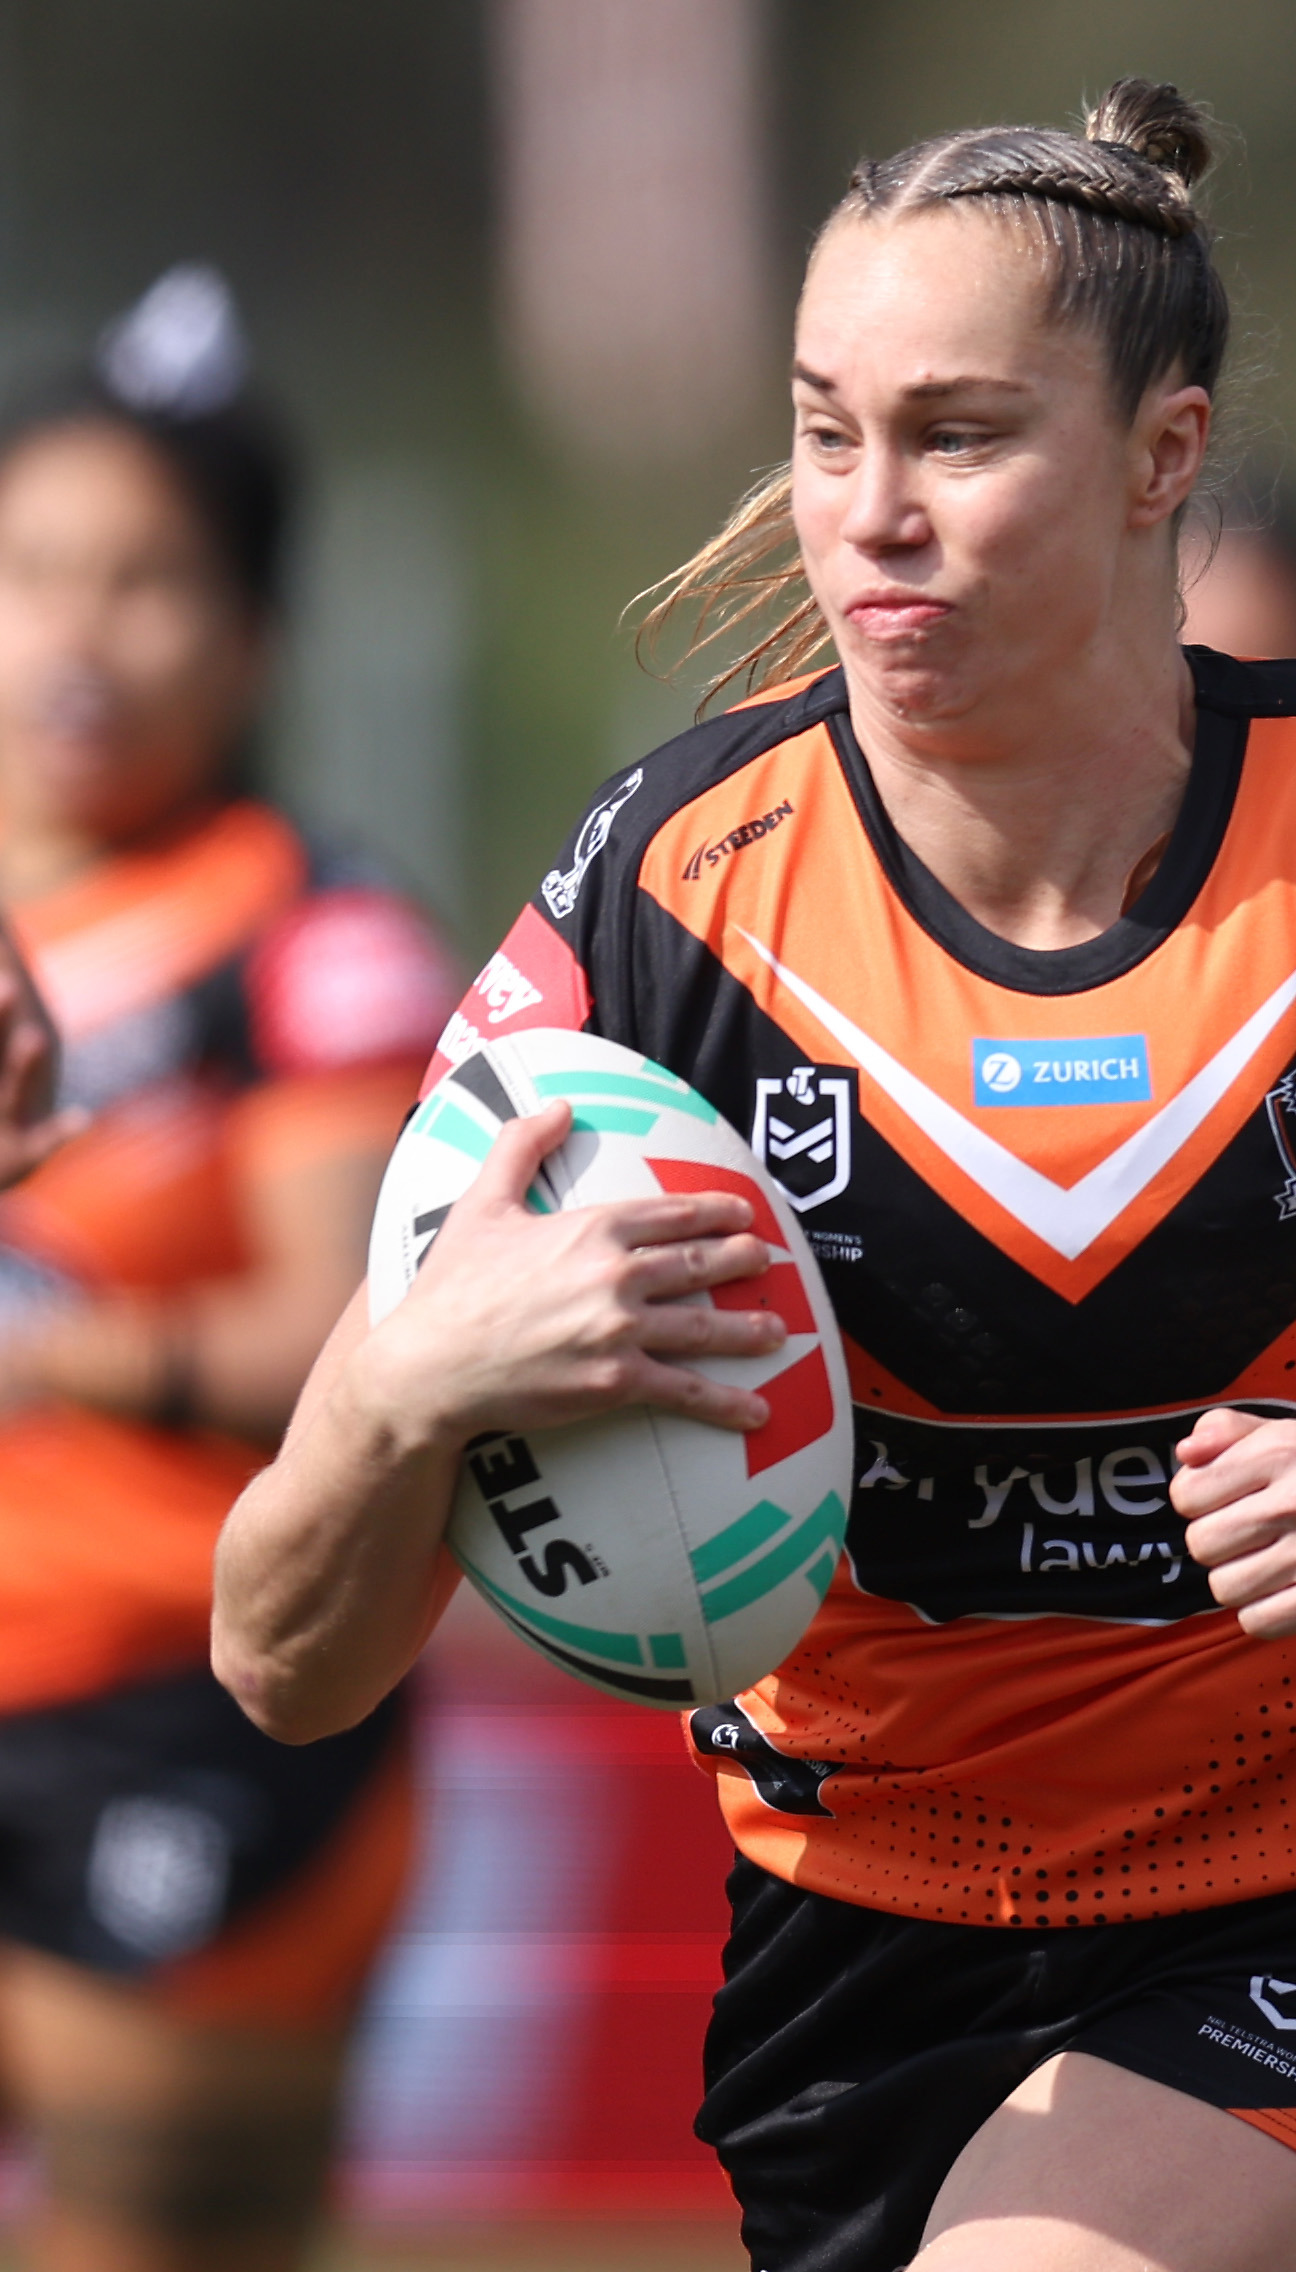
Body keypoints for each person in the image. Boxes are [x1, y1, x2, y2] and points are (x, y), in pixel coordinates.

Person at [210, 78, 1296, 2272]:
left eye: (957, 437)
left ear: (1160, 456)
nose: (867, 516)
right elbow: (282, 1656)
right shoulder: (657, 912)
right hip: (854, 1950)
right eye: (827, 434)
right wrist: (406, 1386)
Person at [0, 264, 457, 2272]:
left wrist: (61, 1343)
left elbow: (359, 1337)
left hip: (190, 1716)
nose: (75, 637)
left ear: (255, 633)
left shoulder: (310, 935)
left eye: (147, 579)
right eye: (31, 570)